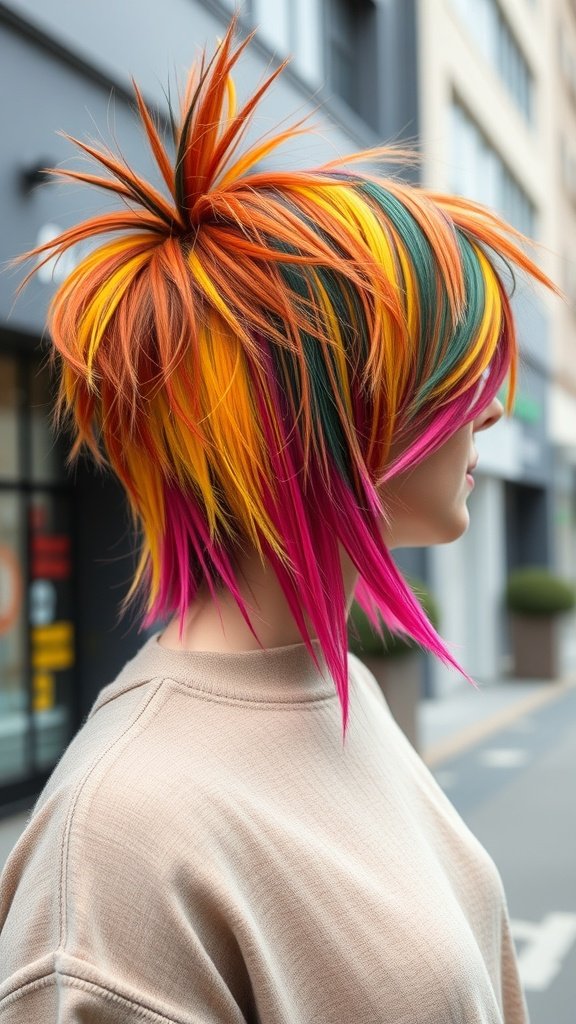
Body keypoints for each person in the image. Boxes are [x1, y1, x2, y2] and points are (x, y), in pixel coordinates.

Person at [0, 18, 562, 1023]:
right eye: (451, 376)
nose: (485, 412)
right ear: (325, 411)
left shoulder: (335, 684)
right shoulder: (118, 847)